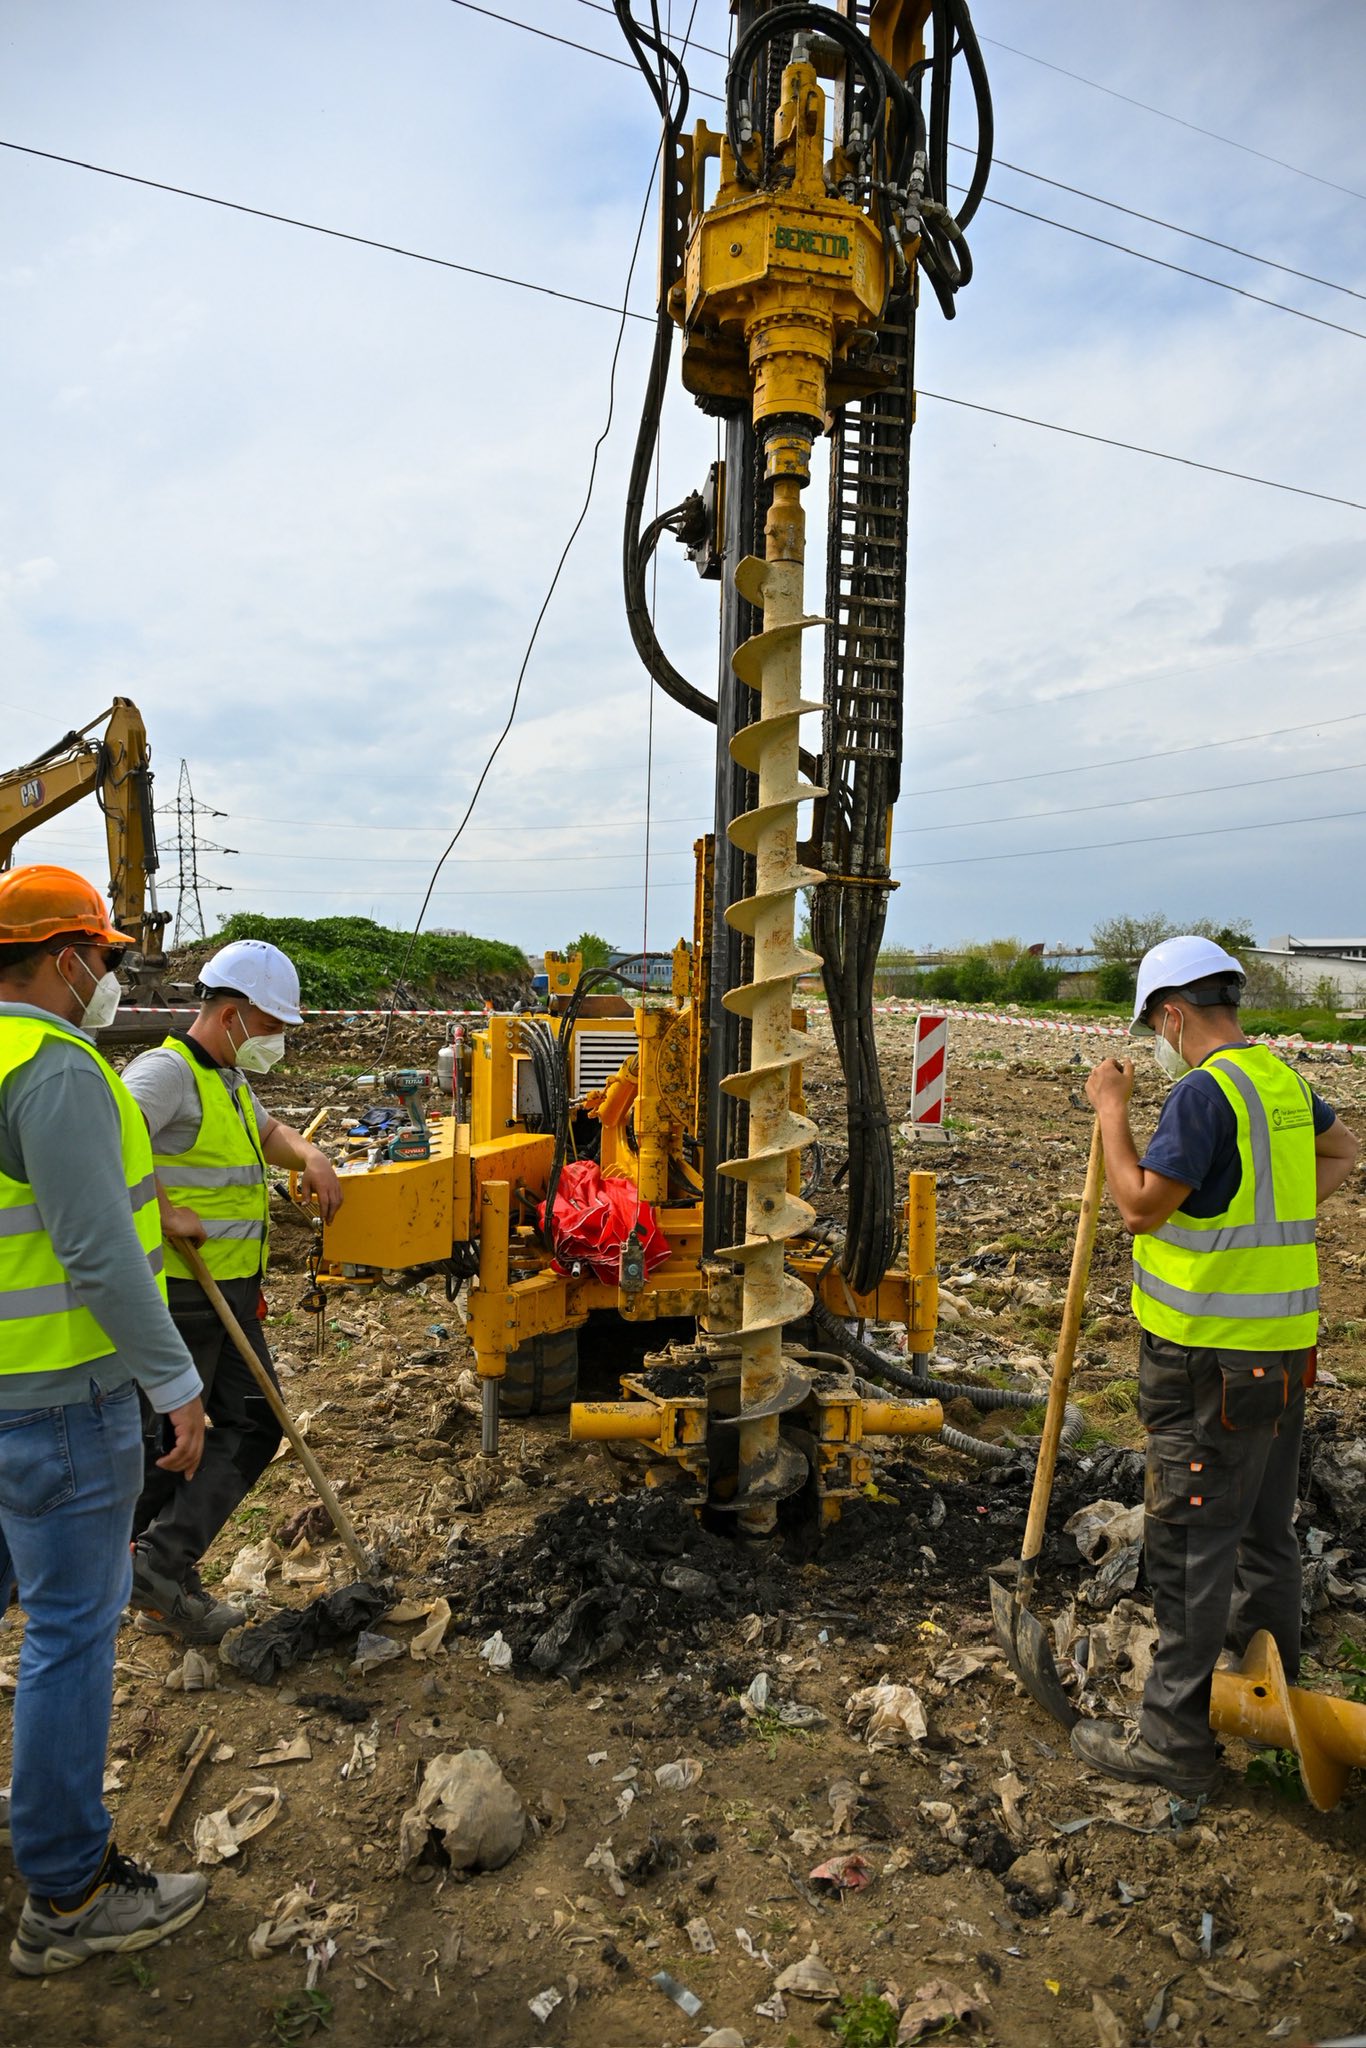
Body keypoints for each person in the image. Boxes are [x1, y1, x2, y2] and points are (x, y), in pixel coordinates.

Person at [1074, 934, 1360, 1798]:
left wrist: (1109, 1108)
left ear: (1171, 1014)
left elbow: (1137, 1207)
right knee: (1266, 1535)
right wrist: (1255, 1213)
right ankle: (1266, 1693)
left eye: (1154, 1025)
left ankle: (1175, 1743)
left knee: (1194, 1543)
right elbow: (1346, 1152)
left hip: (1210, 1364)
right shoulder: (1277, 1079)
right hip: (1280, 1353)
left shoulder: (1203, 1094)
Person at [0, 864, 209, 1974]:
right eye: (107, 957)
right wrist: (175, 1381)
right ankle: (70, 1892)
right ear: (62, 956)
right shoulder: (57, 1069)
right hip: (62, 1403)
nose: (112, 978)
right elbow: (92, 1250)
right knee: (72, 1635)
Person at [121, 937, 342, 1643]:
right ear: (233, 1013)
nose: (274, 1041)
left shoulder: (227, 1081)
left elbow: (270, 1132)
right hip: (186, 1296)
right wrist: (160, 1210)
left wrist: (309, 1153)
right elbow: (104, 1141)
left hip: (232, 1293)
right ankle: (148, 1566)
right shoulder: (167, 1072)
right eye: (271, 1027)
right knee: (184, 1437)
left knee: (231, 1429)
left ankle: (150, 1568)